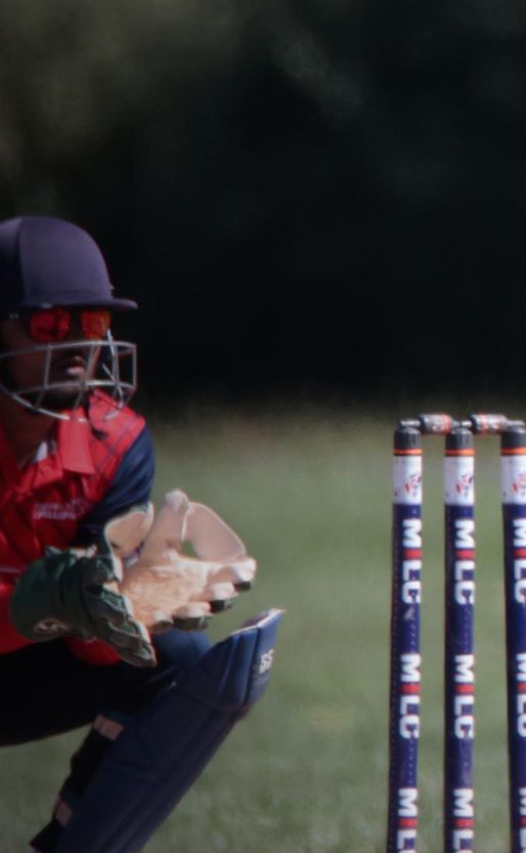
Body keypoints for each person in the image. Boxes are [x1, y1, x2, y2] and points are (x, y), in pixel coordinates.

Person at [0, 215, 280, 853]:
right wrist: (39, 603)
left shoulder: (115, 445)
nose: (78, 343)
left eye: (93, 322)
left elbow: (97, 652)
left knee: (181, 660)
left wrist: (120, 609)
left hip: (18, 673)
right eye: (50, 324)